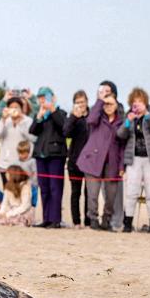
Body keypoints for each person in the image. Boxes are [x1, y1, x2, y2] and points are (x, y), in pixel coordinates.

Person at [116, 88, 150, 234]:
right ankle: (128, 223)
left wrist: (147, 115)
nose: (137, 104)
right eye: (135, 101)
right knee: (131, 191)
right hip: (134, 159)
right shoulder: (129, 116)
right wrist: (128, 122)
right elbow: (120, 134)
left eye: (140, 101)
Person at [77, 87, 124, 231]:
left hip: (112, 162)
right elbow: (90, 119)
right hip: (93, 160)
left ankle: (107, 218)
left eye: (111, 104)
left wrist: (122, 166)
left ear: (116, 106)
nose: (108, 106)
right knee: (92, 194)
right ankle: (93, 219)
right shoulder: (97, 118)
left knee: (111, 195)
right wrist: (99, 101)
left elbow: (123, 145)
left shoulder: (121, 122)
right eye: (106, 104)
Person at [29, 87, 67, 228]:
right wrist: (39, 117)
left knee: (55, 188)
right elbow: (32, 130)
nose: (42, 100)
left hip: (56, 155)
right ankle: (46, 218)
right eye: (40, 98)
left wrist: (52, 110)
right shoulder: (40, 115)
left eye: (44, 97)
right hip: (41, 155)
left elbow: (64, 127)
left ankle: (55, 219)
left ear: (52, 97)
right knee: (44, 188)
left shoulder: (60, 112)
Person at [0, 96, 35, 184]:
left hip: (22, 163)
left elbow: (32, 138)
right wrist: (3, 119)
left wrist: (20, 122)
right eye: (11, 107)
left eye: (16, 107)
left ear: (21, 108)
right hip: (5, 163)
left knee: (22, 190)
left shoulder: (28, 121)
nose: (14, 109)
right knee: (7, 190)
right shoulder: (5, 120)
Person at [64, 90, 90, 228]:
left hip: (90, 161)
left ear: (87, 101)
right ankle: (76, 221)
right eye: (77, 102)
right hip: (75, 160)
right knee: (75, 192)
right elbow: (66, 132)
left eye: (82, 101)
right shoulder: (72, 117)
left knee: (89, 192)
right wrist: (74, 117)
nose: (80, 104)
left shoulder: (93, 116)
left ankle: (88, 220)